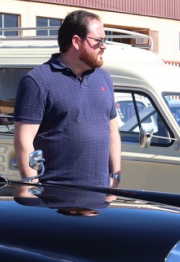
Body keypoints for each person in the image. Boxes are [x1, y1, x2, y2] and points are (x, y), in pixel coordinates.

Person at [13, 10, 122, 188]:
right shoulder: (38, 81)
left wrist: (115, 179)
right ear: (76, 41)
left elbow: (112, 133)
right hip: (54, 199)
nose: (104, 46)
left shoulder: (104, 79)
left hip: (99, 197)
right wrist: (31, 185)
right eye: (99, 40)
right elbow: (23, 139)